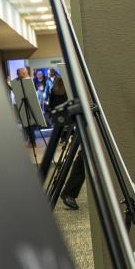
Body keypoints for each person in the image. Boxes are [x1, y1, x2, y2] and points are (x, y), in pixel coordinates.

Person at [46, 72, 85, 210]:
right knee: (84, 156)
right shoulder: (66, 89)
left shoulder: (54, 89)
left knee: (83, 157)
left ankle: (69, 193)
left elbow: (51, 106)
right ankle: (69, 193)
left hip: (66, 121)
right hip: (73, 121)